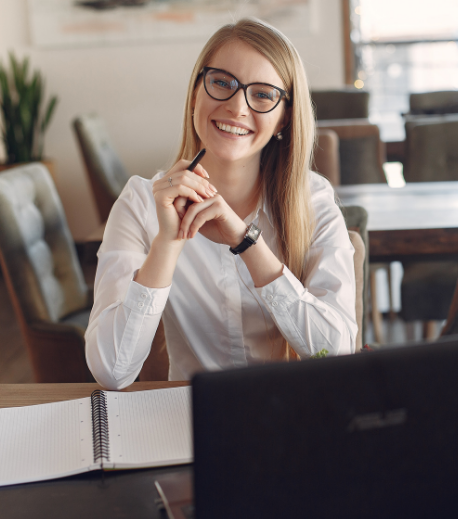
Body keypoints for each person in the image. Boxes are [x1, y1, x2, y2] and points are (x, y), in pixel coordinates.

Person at [86, 18, 357, 390]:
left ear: (284, 118)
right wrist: (168, 242)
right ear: (196, 92)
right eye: (222, 83)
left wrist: (247, 243)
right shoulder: (141, 202)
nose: (236, 106)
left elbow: (337, 356)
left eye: (262, 94)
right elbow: (112, 372)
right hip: (189, 422)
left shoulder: (314, 201)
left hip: (292, 416)